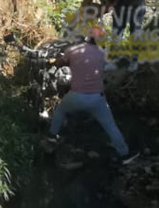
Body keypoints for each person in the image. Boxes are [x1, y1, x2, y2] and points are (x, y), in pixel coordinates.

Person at [43, 23, 138, 165]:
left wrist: (55, 62)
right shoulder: (103, 53)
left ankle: (52, 136)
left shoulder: (72, 50)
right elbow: (112, 65)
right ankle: (125, 155)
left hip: (75, 96)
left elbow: (59, 63)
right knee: (111, 126)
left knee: (60, 111)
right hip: (96, 99)